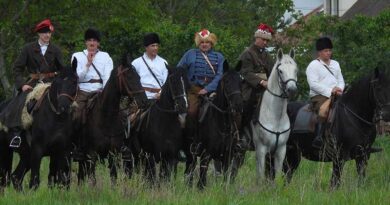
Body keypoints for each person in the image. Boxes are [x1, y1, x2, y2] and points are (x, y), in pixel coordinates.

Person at [0, 19, 64, 148]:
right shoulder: (28, 48)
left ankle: (68, 138)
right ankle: (16, 134)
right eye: (44, 32)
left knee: (66, 103)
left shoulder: (56, 50)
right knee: (20, 101)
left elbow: (61, 69)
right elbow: (17, 68)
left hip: (50, 84)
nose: (47, 35)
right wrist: (22, 84)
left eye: (49, 32)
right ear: (39, 34)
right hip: (33, 83)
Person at [177, 28, 224, 156]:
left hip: (213, 91)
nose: (204, 44)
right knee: (191, 112)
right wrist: (187, 85)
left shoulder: (219, 57)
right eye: (202, 42)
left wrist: (208, 89)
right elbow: (179, 70)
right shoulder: (190, 54)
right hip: (194, 91)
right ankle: (190, 141)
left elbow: (220, 75)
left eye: (207, 42)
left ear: (211, 43)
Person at [71, 28, 113, 158]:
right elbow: (76, 77)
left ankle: (119, 146)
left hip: (100, 91)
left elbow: (108, 76)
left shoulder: (105, 56)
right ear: (85, 42)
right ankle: (74, 145)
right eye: (89, 40)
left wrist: (105, 91)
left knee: (120, 114)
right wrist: (88, 64)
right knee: (76, 115)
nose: (92, 43)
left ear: (98, 43)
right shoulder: (77, 56)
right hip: (83, 89)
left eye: (94, 40)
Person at [238, 23, 274, 149]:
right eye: (263, 39)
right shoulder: (247, 53)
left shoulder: (267, 56)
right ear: (257, 38)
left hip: (266, 88)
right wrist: (261, 81)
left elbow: (272, 72)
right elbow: (246, 72)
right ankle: (241, 135)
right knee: (247, 108)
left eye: (267, 40)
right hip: (250, 88)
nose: (265, 42)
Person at [306, 37, 345, 148]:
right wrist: (330, 91)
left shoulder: (335, 64)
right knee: (324, 111)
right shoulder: (313, 65)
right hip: (320, 96)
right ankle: (319, 137)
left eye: (330, 50)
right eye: (326, 51)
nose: (329, 53)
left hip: (338, 94)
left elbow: (341, 80)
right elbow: (313, 84)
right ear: (319, 52)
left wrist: (339, 89)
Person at [131, 33, 168, 102]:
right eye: (153, 46)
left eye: (157, 45)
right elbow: (132, 82)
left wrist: (161, 93)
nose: (156, 48)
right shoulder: (136, 63)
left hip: (159, 98)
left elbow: (166, 81)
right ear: (146, 47)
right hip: (141, 98)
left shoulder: (163, 62)